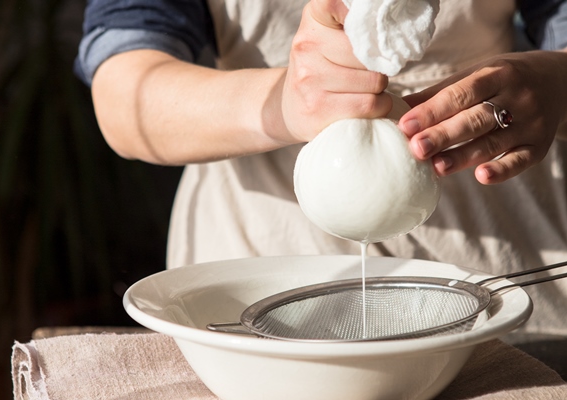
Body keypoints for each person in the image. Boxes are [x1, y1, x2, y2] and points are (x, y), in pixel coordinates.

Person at [75, 0, 567, 338]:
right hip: (259, 266)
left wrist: (556, 84)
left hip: (497, 271)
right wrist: (281, 106)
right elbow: (125, 96)